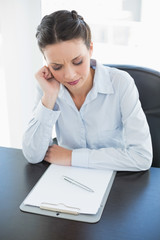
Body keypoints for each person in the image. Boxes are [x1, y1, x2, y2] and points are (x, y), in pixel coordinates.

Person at [22, 10, 152, 171]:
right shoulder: (47, 86)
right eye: (57, 66)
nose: (69, 75)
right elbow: (33, 155)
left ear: (90, 49)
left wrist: (72, 157)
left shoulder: (121, 83)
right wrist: (49, 97)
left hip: (117, 179)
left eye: (77, 61)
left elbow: (142, 157)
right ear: (47, 62)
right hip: (66, 178)